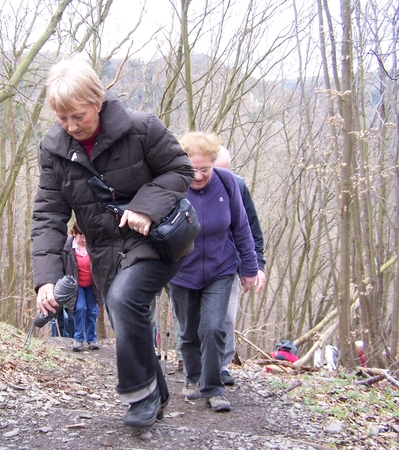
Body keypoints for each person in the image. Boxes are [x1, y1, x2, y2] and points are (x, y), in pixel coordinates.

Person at [31, 58, 194, 428]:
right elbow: (48, 216)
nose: (72, 127)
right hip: (105, 251)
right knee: (124, 314)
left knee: (124, 299)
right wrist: (46, 278)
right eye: (62, 119)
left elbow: (180, 169)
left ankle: (138, 397)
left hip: (155, 238)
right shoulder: (54, 150)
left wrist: (144, 208)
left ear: (97, 101)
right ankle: (158, 394)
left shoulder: (142, 128)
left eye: (78, 117)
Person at [169, 131, 258, 413]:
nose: (198, 175)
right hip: (182, 270)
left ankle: (214, 388)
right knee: (189, 331)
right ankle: (192, 377)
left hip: (221, 268)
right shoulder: (172, 185)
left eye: (204, 169)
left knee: (214, 327)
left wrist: (251, 267)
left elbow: (242, 228)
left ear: (213, 164)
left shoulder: (228, 183)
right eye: (192, 169)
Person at [214, 147, 267, 386]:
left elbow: (251, 229)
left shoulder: (238, 186)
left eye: (227, 171)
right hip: (193, 265)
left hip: (229, 263)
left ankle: (222, 365)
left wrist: (257, 266)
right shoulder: (188, 183)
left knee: (226, 317)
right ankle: (196, 365)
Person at [63, 222, 102, 352]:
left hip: (92, 284)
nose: (84, 239)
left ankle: (91, 338)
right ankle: (78, 339)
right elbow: (63, 266)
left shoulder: (94, 245)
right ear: (74, 234)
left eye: (86, 236)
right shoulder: (68, 248)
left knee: (92, 310)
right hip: (76, 285)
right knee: (80, 308)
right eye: (81, 236)